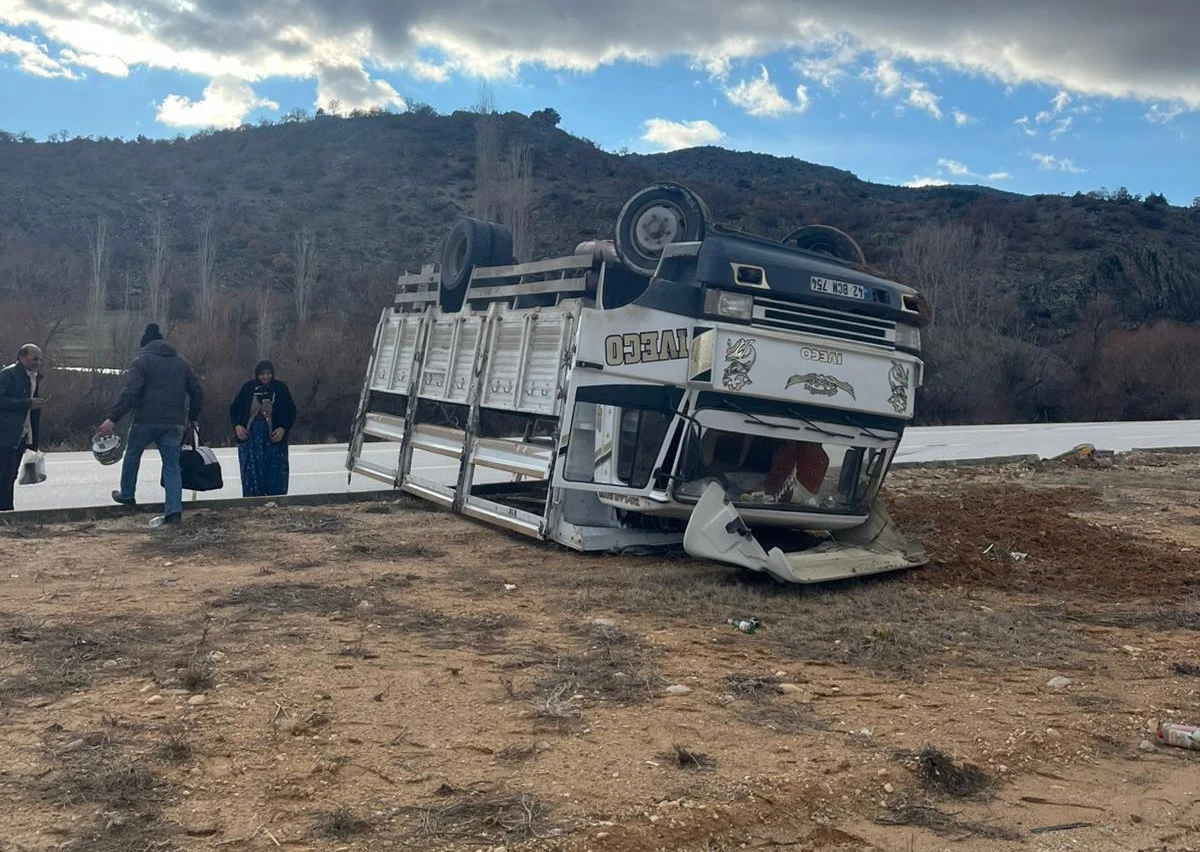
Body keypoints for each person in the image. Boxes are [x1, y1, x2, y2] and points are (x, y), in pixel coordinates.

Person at [97, 323, 203, 525]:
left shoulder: (142, 361)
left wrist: (113, 418)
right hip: (174, 423)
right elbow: (197, 391)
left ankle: (127, 494)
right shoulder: (182, 363)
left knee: (133, 454)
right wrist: (192, 418)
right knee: (172, 465)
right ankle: (173, 511)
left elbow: (130, 393)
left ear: (145, 344)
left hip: (145, 419)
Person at [229, 360, 296, 497]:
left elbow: (291, 411)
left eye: (268, 373)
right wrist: (237, 426)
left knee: (275, 472)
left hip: (273, 437)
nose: (265, 377)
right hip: (251, 438)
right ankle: (253, 501)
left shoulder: (280, 389)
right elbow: (234, 410)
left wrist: (283, 428)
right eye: (262, 374)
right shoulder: (248, 388)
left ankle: (275, 501)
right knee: (252, 471)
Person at [0, 344, 45, 511]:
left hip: (21, 434)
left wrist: (33, 442)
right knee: (3, 475)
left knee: (10, 475)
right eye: (35, 358)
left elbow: (34, 414)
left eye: (40, 359)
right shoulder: (8, 375)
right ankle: (6, 511)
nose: (38, 362)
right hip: (5, 434)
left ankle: (7, 511)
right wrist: (26, 403)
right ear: (22, 357)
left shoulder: (33, 377)